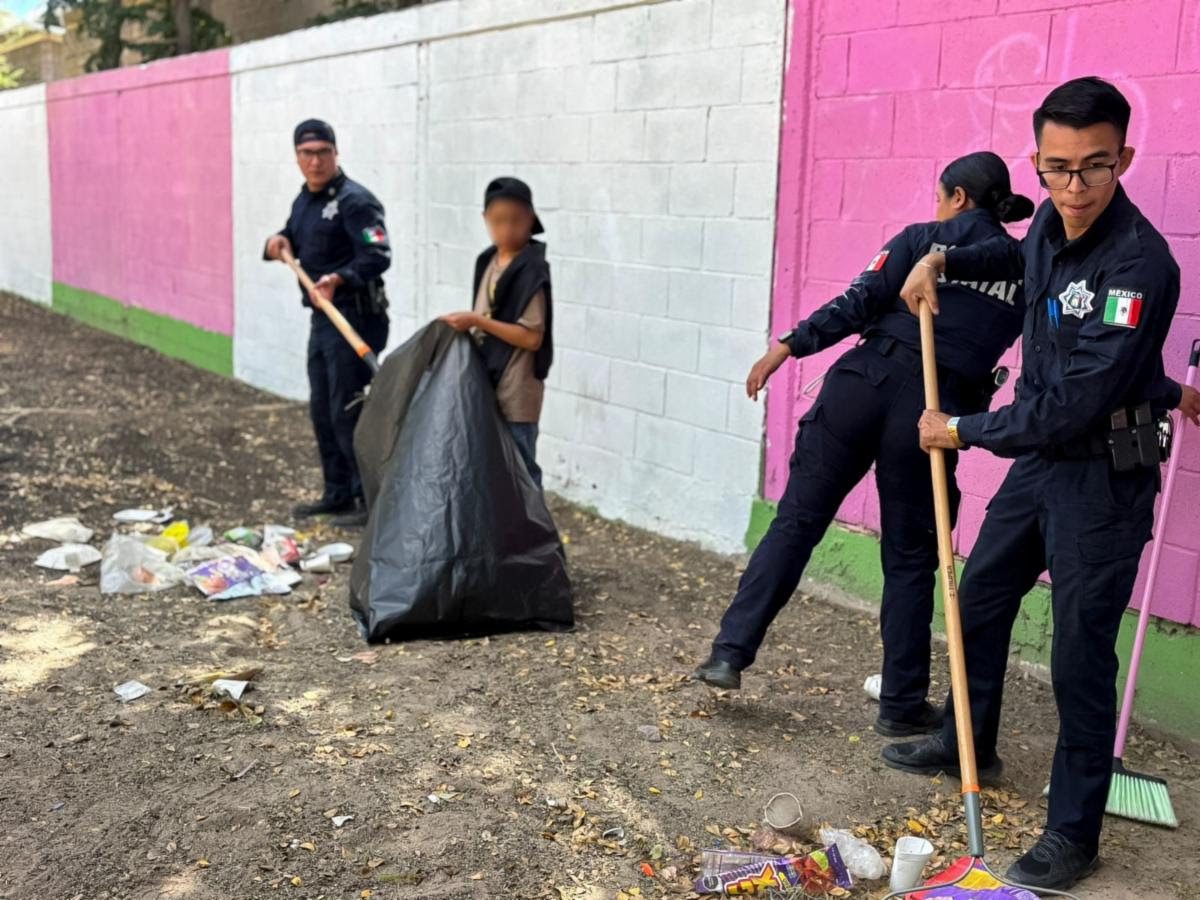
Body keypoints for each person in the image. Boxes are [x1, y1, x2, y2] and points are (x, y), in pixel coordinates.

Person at [884, 77, 1200, 891]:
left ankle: (1073, 832)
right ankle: (970, 740)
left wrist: (958, 429)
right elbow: (1011, 256)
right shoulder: (1048, 232)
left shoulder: (1141, 265)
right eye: (1057, 169)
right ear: (1038, 163)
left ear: (1122, 158)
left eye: (1094, 167)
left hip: (1100, 477)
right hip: (1039, 467)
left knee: (1078, 655)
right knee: (981, 596)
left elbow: (1076, 401)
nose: (1074, 187)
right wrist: (944, 253)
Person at [692, 152, 1035, 738]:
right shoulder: (1022, 265)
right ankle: (900, 705)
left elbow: (857, 304)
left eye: (939, 196)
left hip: (863, 385)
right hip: (931, 411)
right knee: (908, 560)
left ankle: (729, 653)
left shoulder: (923, 239)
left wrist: (788, 346)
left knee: (797, 521)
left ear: (957, 198)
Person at [264, 119, 391, 528]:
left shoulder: (356, 202)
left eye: (322, 152)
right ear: (297, 157)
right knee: (323, 408)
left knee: (347, 410)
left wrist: (339, 278)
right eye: (307, 153)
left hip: (354, 316)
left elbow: (378, 255)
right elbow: (296, 236)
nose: (315, 161)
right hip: (323, 321)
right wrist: (278, 242)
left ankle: (367, 500)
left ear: (336, 153)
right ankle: (337, 492)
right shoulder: (306, 200)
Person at [440, 177, 554, 488]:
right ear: (485, 220)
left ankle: (534, 535)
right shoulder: (487, 261)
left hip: (518, 385)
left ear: (530, 219)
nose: (507, 229)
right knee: (489, 469)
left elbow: (532, 337)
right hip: (487, 379)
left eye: (516, 221)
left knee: (520, 468)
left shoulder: (531, 269)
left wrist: (477, 320)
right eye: (498, 221)